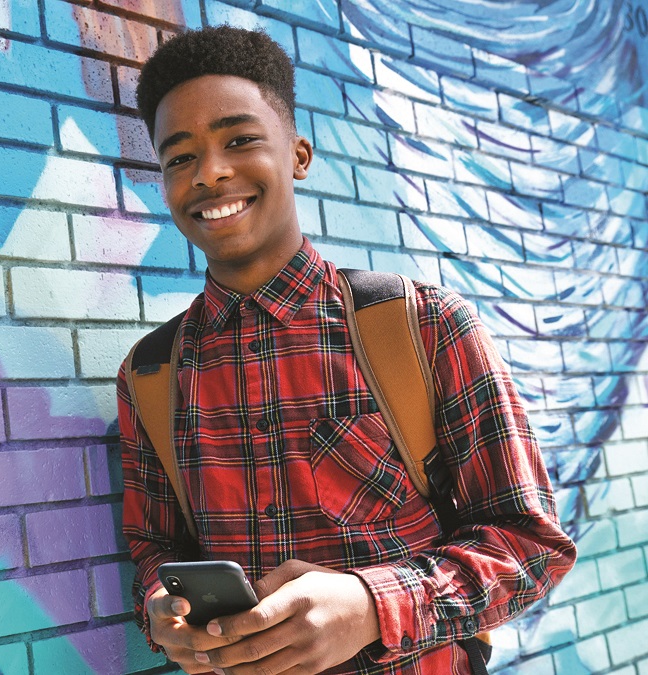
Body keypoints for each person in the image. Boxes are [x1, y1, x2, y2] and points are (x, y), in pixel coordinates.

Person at [118, 26, 576, 674]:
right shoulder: (151, 377)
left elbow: (532, 546)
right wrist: (162, 608)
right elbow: (153, 547)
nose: (210, 173)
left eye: (239, 139)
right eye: (179, 157)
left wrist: (369, 603)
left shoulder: (425, 328)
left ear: (299, 154)